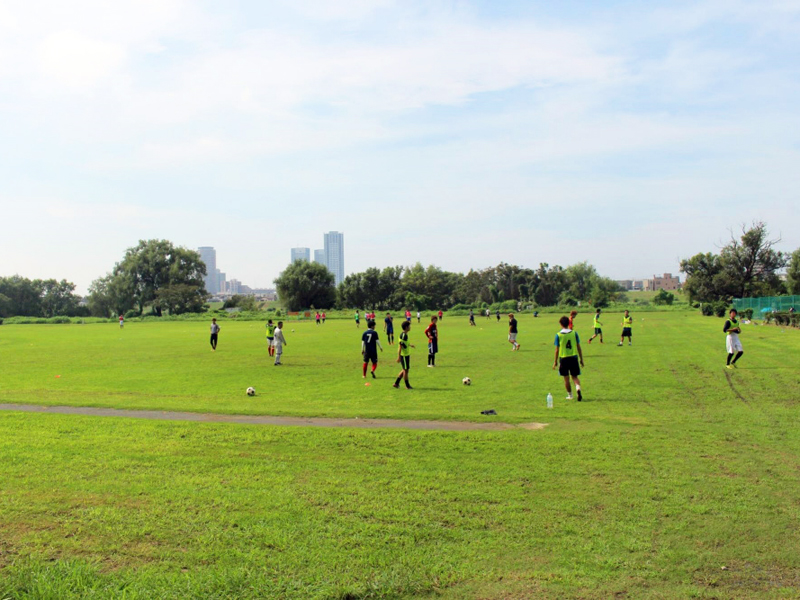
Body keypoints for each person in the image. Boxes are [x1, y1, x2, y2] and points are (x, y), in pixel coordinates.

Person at [553, 315, 584, 401]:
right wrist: (581, 359)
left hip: (564, 358)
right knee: (575, 376)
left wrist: (555, 361)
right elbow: (579, 347)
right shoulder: (574, 333)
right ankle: (578, 388)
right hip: (573, 357)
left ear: (561, 324)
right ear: (568, 323)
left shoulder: (558, 335)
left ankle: (570, 395)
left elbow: (556, 350)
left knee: (566, 378)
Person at [393, 320, 414, 389]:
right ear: (406, 327)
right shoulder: (403, 335)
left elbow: (404, 344)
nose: (410, 327)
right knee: (405, 370)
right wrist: (398, 357)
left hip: (406, 354)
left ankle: (396, 383)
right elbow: (400, 347)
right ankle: (407, 385)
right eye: (409, 326)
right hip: (404, 355)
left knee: (405, 369)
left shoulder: (405, 335)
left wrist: (410, 345)